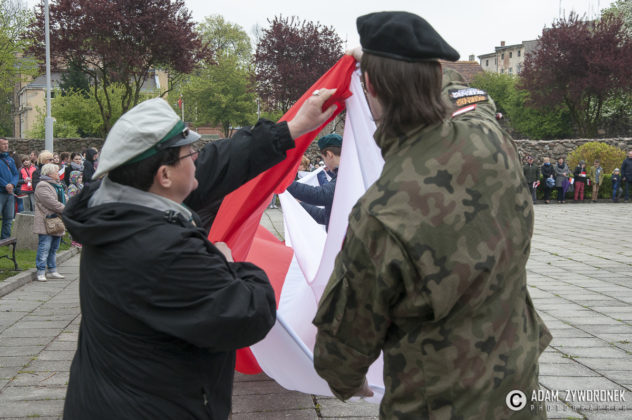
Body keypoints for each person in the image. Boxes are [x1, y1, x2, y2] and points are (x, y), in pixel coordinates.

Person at [312, 12, 551, 420]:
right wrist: (394, 63)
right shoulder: (488, 135)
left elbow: (340, 352)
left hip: (437, 405)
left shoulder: (383, 213)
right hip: (518, 389)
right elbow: (468, 95)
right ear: (435, 74)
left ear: (370, 87)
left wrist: (347, 382)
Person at [62, 94, 335, 419]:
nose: (197, 159)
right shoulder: (164, 250)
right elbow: (248, 314)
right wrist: (231, 266)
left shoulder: (120, 206)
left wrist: (292, 129)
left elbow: (213, 166)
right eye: (190, 153)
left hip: (109, 400)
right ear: (165, 176)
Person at [286, 133, 342, 229]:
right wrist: (300, 204)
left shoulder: (346, 175)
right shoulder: (345, 173)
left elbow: (320, 194)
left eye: (324, 159)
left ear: (329, 155)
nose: (325, 164)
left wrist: (284, 183)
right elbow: (325, 217)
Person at [33, 163, 66, 282]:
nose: (58, 173)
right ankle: (41, 271)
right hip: (46, 220)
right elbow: (51, 203)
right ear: (49, 173)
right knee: (44, 247)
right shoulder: (42, 185)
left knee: (54, 248)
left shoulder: (57, 185)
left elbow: (63, 199)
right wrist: (67, 209)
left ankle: (52, 270)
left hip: (56, 219)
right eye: (56, 171)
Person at [0, 138, 19, 239]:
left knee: (9, 217)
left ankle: (5, 238)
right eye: (3, 144)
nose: (6, 146)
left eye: (7, 144)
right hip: (1, 192)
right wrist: (5, 185)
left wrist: (12, 184)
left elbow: (16, 174)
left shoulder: (10, 160)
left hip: (10, 193)